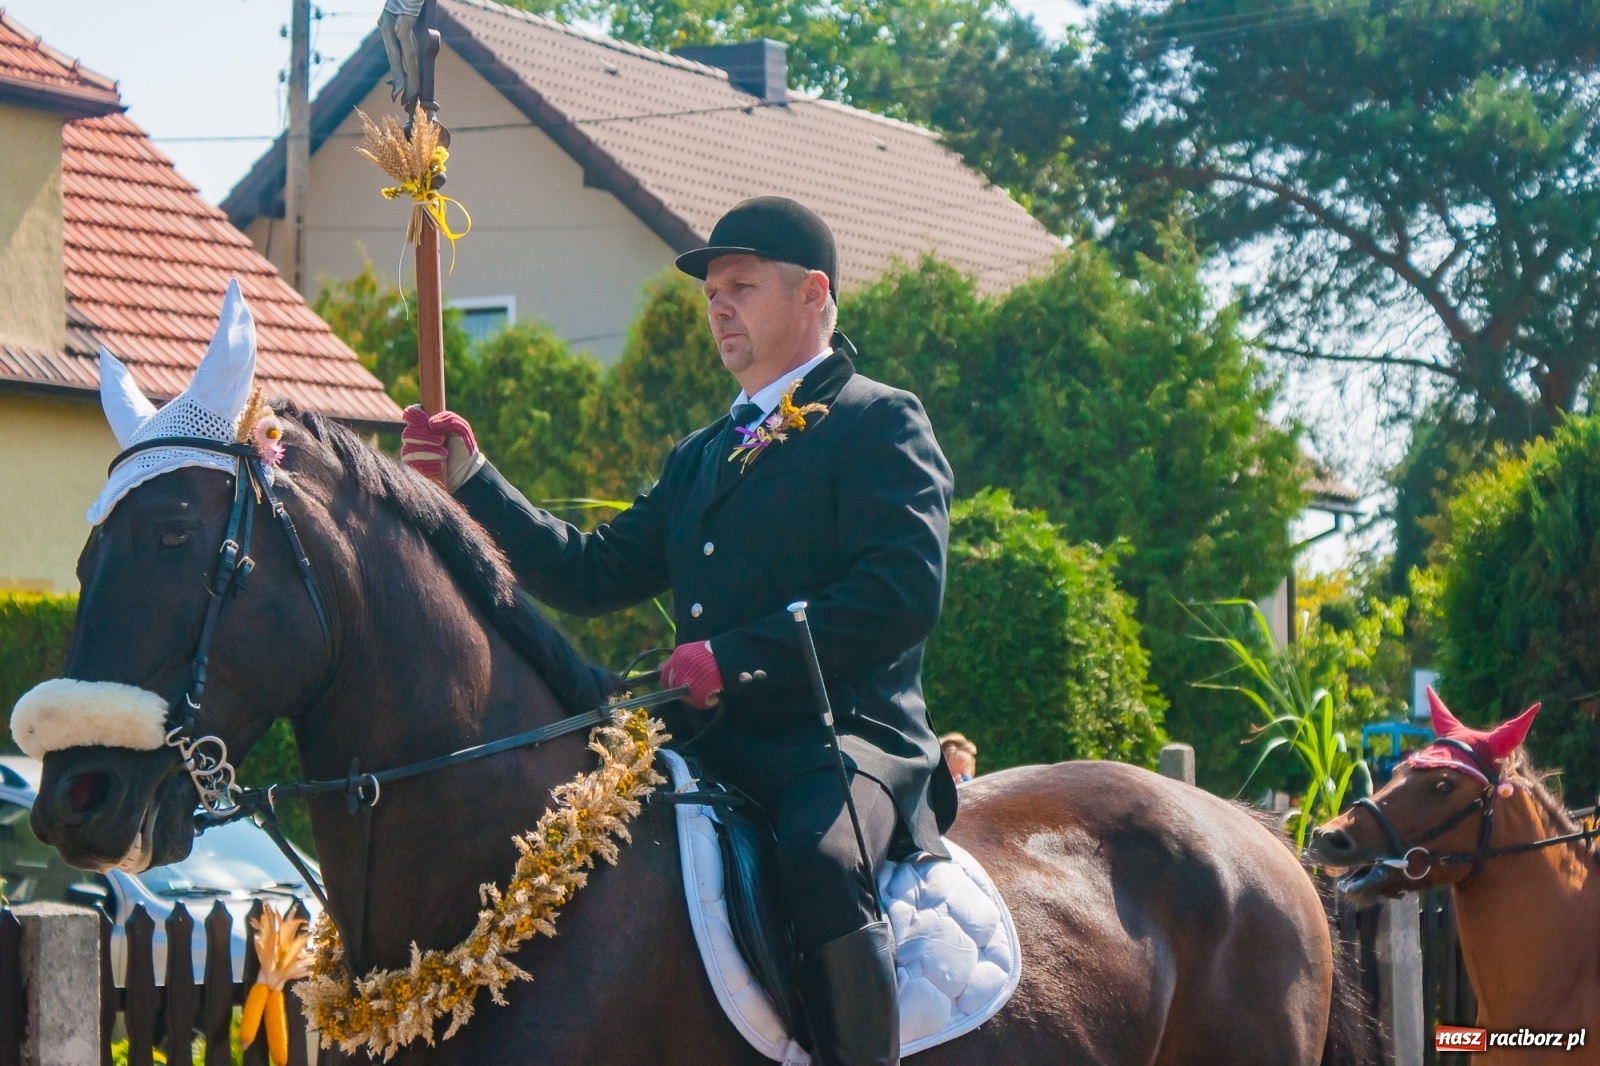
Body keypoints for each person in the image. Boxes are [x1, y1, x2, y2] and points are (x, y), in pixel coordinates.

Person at [400, 196, 957, 1066]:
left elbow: (902, 593)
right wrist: (473, 479)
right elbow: (587, 572)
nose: (719, 308)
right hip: (708, 743)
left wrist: (735, 659)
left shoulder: (879, 420)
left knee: (817, 863)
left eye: (741, 286)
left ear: (814, 294)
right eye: (710, 296)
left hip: (843, 740)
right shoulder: (702, 454)